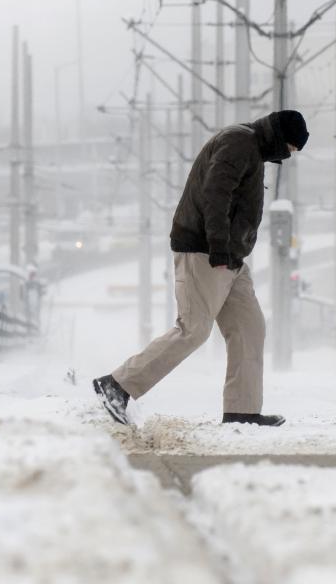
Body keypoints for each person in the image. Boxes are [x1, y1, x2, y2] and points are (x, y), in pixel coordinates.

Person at [94, 110, 310, 427]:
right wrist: (220, 246)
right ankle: (117, 386)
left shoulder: (251, 148)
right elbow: (215, 194)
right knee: (193, 329)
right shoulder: (239, 142)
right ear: (282, 138)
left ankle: (242, 412)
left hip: (232, 257)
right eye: (292, 148)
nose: (289, 156)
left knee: (250, 329)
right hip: (206, 252)